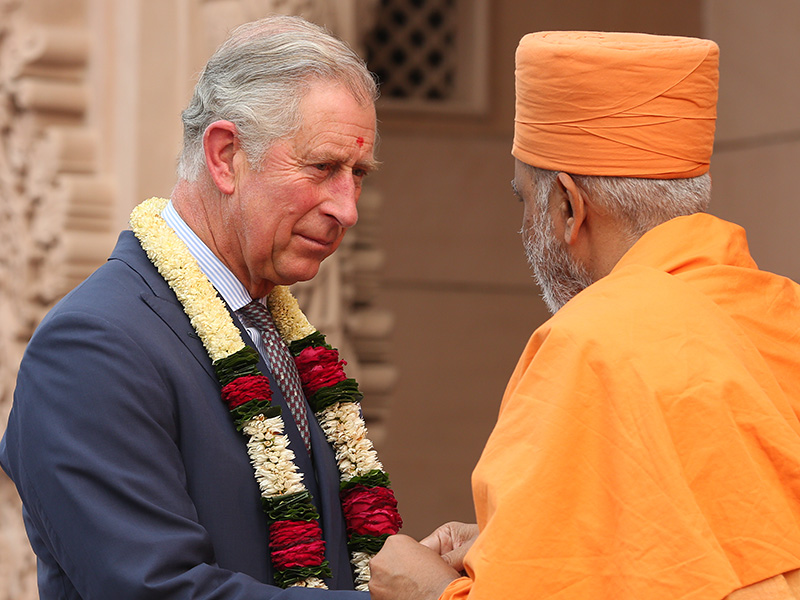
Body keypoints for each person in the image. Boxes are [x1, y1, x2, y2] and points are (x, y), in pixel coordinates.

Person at [369, 31, 800, 600]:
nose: (526, 227)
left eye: (525, 200)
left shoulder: (592, 342)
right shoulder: (783, 311)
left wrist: (423, 591)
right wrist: (523, 536)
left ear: (568, 207)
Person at [0, 15, 401, 599]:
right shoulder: (94, 346)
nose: (348, 208)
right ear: (224, 155)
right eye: (322, 168)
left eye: (357, 174)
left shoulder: (270, 329)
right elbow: (155, 591)